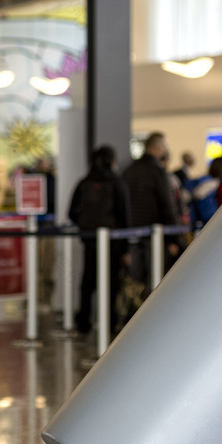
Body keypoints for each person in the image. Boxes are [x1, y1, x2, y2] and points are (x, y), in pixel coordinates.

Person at [68, 145, 130, 336]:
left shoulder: (84, 182)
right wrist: (125, 248)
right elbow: (124, 215)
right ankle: (109, 323)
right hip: (112, 242)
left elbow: (71, 212)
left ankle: (83, 322)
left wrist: (84, 226)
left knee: (87, 282)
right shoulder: (116, 183)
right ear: (112, 161)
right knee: (111, 284)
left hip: (89, 240)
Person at [123, 132, 182, 287]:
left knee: (136, 282)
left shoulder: (128, 171)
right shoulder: (158, 172)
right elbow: (168, 206)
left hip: (131, 235)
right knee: (156, 282)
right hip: (155, 235)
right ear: (157, 148)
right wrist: (174, 238)